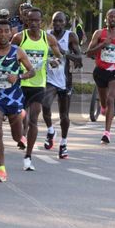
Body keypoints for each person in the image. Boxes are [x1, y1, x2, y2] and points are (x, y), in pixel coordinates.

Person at [0, 19, 35, 182]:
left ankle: (21, 117)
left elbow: (32, 72)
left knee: (17, 137)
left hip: (14, 97)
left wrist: (19, 76)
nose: (3, 34)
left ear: (11, 33)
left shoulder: (18, 52)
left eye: (6, 31)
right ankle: (1, 169)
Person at [11, 8, 63, 171]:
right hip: (20, 84)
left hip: (38, 85)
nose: (34, 23)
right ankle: (21, 135)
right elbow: (9, 55)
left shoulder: (48, 38)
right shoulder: (20, 37)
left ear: (41, 21)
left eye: (37, 20)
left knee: (34, 119)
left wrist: (55, 61)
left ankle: (28, 156)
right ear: (26, 21)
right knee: (19, 118)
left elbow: (59, 57)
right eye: (31, 20)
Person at [86, 9, 115, 144]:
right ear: (106, 18)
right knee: (104, 102)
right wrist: (102, 45)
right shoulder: (99, 33)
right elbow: (88, 53)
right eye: (110, 16)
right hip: (101, 70)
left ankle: (107, 133)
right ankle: (103, 106)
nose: (112, 18)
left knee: (111, 99)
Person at [41, 12, 83, 159]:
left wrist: (63, 52)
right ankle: (51, 130)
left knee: (64, 115)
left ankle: (63, 143)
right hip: (49, 78)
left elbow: (79, 58)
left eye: (60, 21)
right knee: (45, 105)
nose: (57, 24)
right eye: (55, 21)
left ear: (65, 22)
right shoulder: (45, 35)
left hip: (65, 80)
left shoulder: (70, 37)